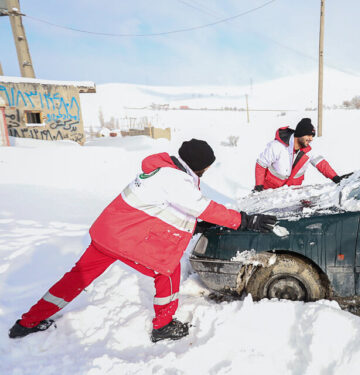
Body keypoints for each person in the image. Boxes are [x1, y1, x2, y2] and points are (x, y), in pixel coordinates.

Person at [8, 139, 277, 342]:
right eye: (208, 165)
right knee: (167, 270)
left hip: (107, 233)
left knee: (76, 277)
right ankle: (162, 327)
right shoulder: (176, 179)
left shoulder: (164, 171)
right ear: (200, 166)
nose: (208, 169)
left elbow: (171, 208)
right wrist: (244, 220)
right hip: (124, 237)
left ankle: (27, 323)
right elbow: (202, 206)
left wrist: (197, 224)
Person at [254, 118, 342, 191]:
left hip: (291, 193)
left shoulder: (308, 150)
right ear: (300, 134)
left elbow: (321, 164)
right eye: (308, 135)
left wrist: (335, 177)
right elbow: (261, 164)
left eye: (312, 136)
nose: (311, 139)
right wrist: (259, 186)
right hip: (270, 192)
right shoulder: (277, 146)